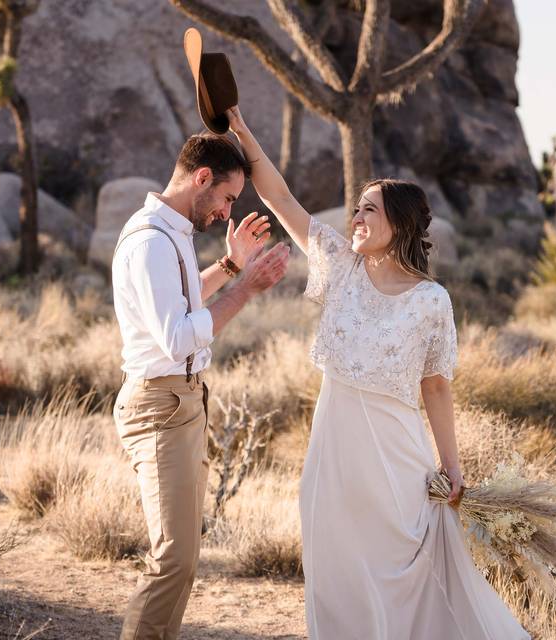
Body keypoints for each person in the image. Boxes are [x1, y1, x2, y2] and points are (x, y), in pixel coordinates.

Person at [226, 105, 531, 640]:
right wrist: (244, 133)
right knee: (334, 571)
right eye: (358, 210)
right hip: (332, 455)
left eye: (370, 211)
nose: (357, 219)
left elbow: (435, 386)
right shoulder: (340, 266)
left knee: (400, 576)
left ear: (401, 224)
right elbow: (280, 198)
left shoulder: (432, 301)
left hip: (397, 462)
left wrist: (452, 467)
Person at [111, 132, 291, 640]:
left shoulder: (171, 234)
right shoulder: (150, 241)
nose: (226, 211)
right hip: (160, 405)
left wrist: (232, 264)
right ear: (202, 178)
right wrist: (246, 289)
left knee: (183, 559)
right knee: (173, 560)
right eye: (229, 198)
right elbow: (176, 337)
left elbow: (187, 298)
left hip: (181, 403)